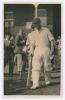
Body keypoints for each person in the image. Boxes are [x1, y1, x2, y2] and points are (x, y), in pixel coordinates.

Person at [27, 18, 54, 89]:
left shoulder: (46, 30)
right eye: (34, 24)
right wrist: (31, 52)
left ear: (40, 23)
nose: (35, 25)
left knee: (47, 66)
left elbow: (51, 40)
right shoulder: (33, 33)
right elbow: (32, 44)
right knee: (35, 66)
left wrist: (52, 49)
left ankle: (48, 80)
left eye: (36, 23)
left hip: (46, 49)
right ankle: (35, 83)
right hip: (37, 50)